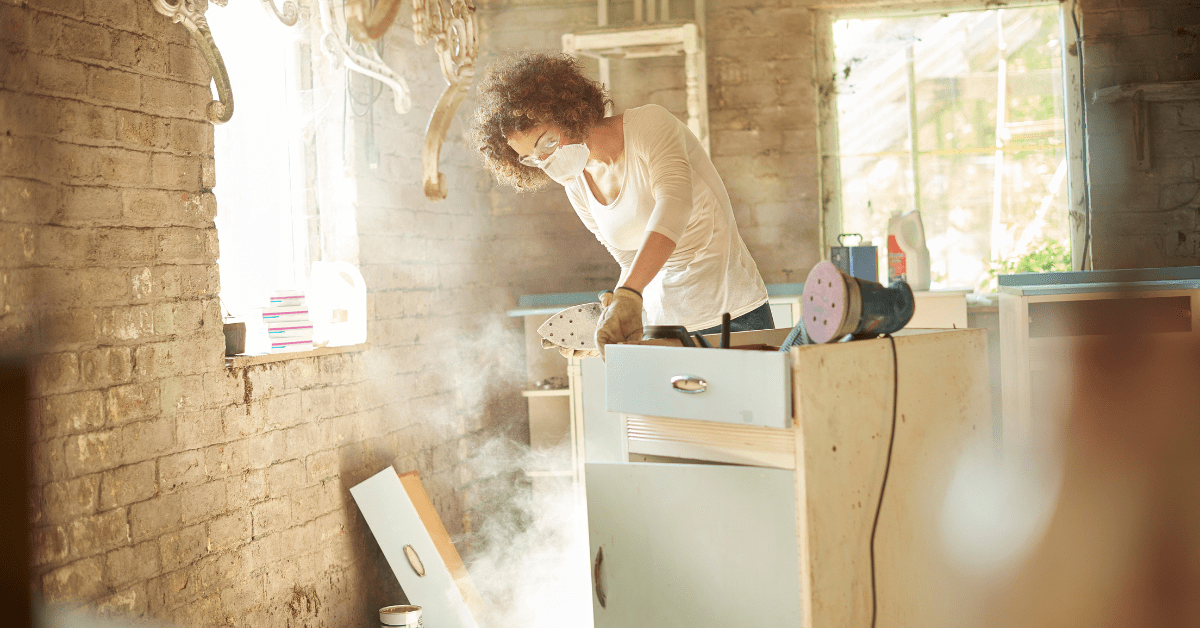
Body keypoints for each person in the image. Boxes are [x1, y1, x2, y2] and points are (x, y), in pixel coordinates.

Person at [470, 51, 771, 356]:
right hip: (662, 329)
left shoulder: (649, 125)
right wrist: (613, 321)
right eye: (533, 158)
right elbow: (629, 261)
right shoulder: (577, 184)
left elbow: (675, 204)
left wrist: (627, 295)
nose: (547, 161)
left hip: (731, 316)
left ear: (569, 111)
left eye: (547, 142)